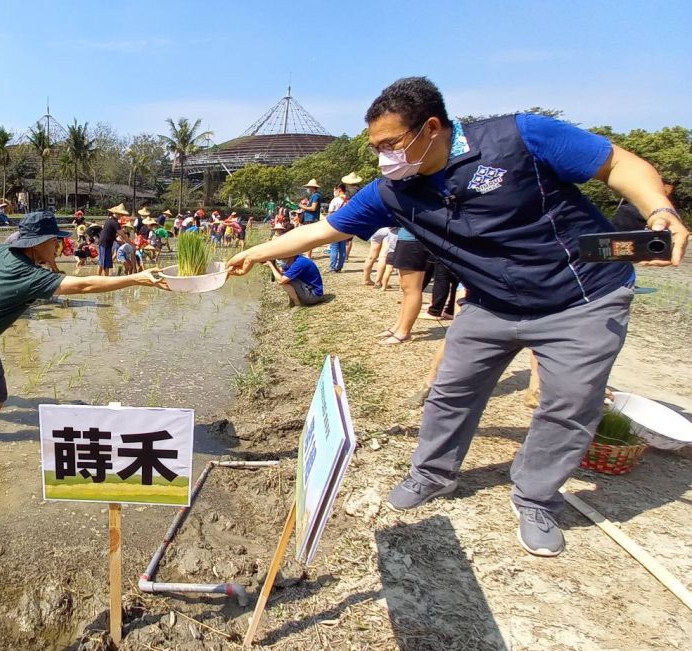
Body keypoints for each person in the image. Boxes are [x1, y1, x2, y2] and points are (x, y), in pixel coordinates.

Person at [226, 76, 686, 557]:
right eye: (376, 148)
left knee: (569, 405)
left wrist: (659, 210)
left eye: (391, 144)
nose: (384, 158)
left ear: (431, 128)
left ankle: (535, 499)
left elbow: (617, 163)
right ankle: (432, 473)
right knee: (451, 391)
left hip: (581, 298)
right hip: (491, 302)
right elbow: (324, 230)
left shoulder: (520, 136)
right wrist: (256, 253)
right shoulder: (391, 192)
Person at [0, 211, 167, 441]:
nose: (58, 245)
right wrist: (135, 278)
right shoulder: (31, 275)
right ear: (37, 244)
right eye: (54, 240)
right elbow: (84, 286)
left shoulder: (3, 250)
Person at [380, 225, 432, 344]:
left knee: (412, 289)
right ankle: (398, 326)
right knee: (406, 288)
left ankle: (404, 332)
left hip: (415, 240)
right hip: (407, 238)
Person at [613, 176, 677, 231]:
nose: (670, 188)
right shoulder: (626, 211)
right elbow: (620, 237)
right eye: (665, 183)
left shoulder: (671, 211)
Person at [98, 203, 128, 277]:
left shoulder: (110, 219)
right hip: (105, 243)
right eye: (120, 214)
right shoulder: (114, 222)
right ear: (117, 213)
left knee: (102, 262)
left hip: (105, 242)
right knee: (105, 264)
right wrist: (130, 243)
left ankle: (98, 277)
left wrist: (116, 240)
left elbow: (109, 232)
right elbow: (122, 234)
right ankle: (105, 279)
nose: (121, 216)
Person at [327, 183, 349, 272]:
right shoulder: (348, 200)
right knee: (342, 248)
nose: (334, 192)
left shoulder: (335, 200)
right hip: (345, 226)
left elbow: (330, 214)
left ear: (339, 190)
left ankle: (332, 267)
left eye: (334, 190)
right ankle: (339, 267)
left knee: (334, 247)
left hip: (335, 225)